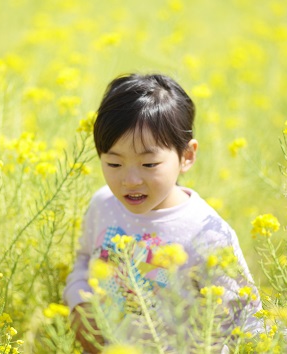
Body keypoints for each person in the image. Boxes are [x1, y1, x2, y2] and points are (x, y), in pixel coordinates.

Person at [63, 73, 262, 353]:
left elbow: (248, 321)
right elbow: (84, 260)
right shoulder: (102, 205)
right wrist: (81, 304)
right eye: (114, 163)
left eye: (149, 164)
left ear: (187, 156)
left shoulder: (207, 234)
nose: (130, 180)